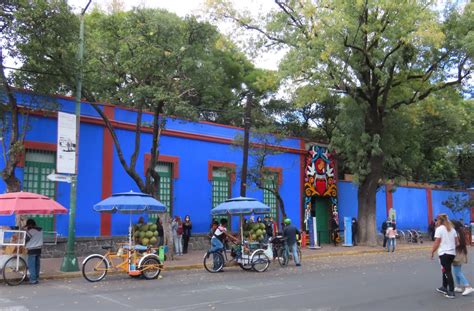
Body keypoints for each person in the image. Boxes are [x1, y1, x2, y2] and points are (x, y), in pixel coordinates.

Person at [431, 214, 459, 299]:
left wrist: (432, 251)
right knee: (445, 270)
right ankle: (444, 287)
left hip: (444, 253)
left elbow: (437, 242)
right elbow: (457, 242)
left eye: (437, 220)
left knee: (447, 271)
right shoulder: (452, 229)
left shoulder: (439, 229)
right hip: (452, 253)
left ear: (439, 220)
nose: (436, 221)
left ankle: (451, 291)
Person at [452, 220, 474, 296]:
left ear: (454, 226)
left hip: (458, 254)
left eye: (451, 224)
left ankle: (467, 286)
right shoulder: (460, 233)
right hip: (460, 253)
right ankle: (458, 286)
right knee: (456, 271)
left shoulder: (456, 233)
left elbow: (456, 244)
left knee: (457, 272)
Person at [24, 219, 43, 285]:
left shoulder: (31, 231)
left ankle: (32, 280)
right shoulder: (40, 230)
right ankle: (36, 278)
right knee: (37, 264)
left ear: (30, 225)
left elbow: (26, 239)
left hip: (32, 249)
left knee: (31, 265)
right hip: (39, 249)